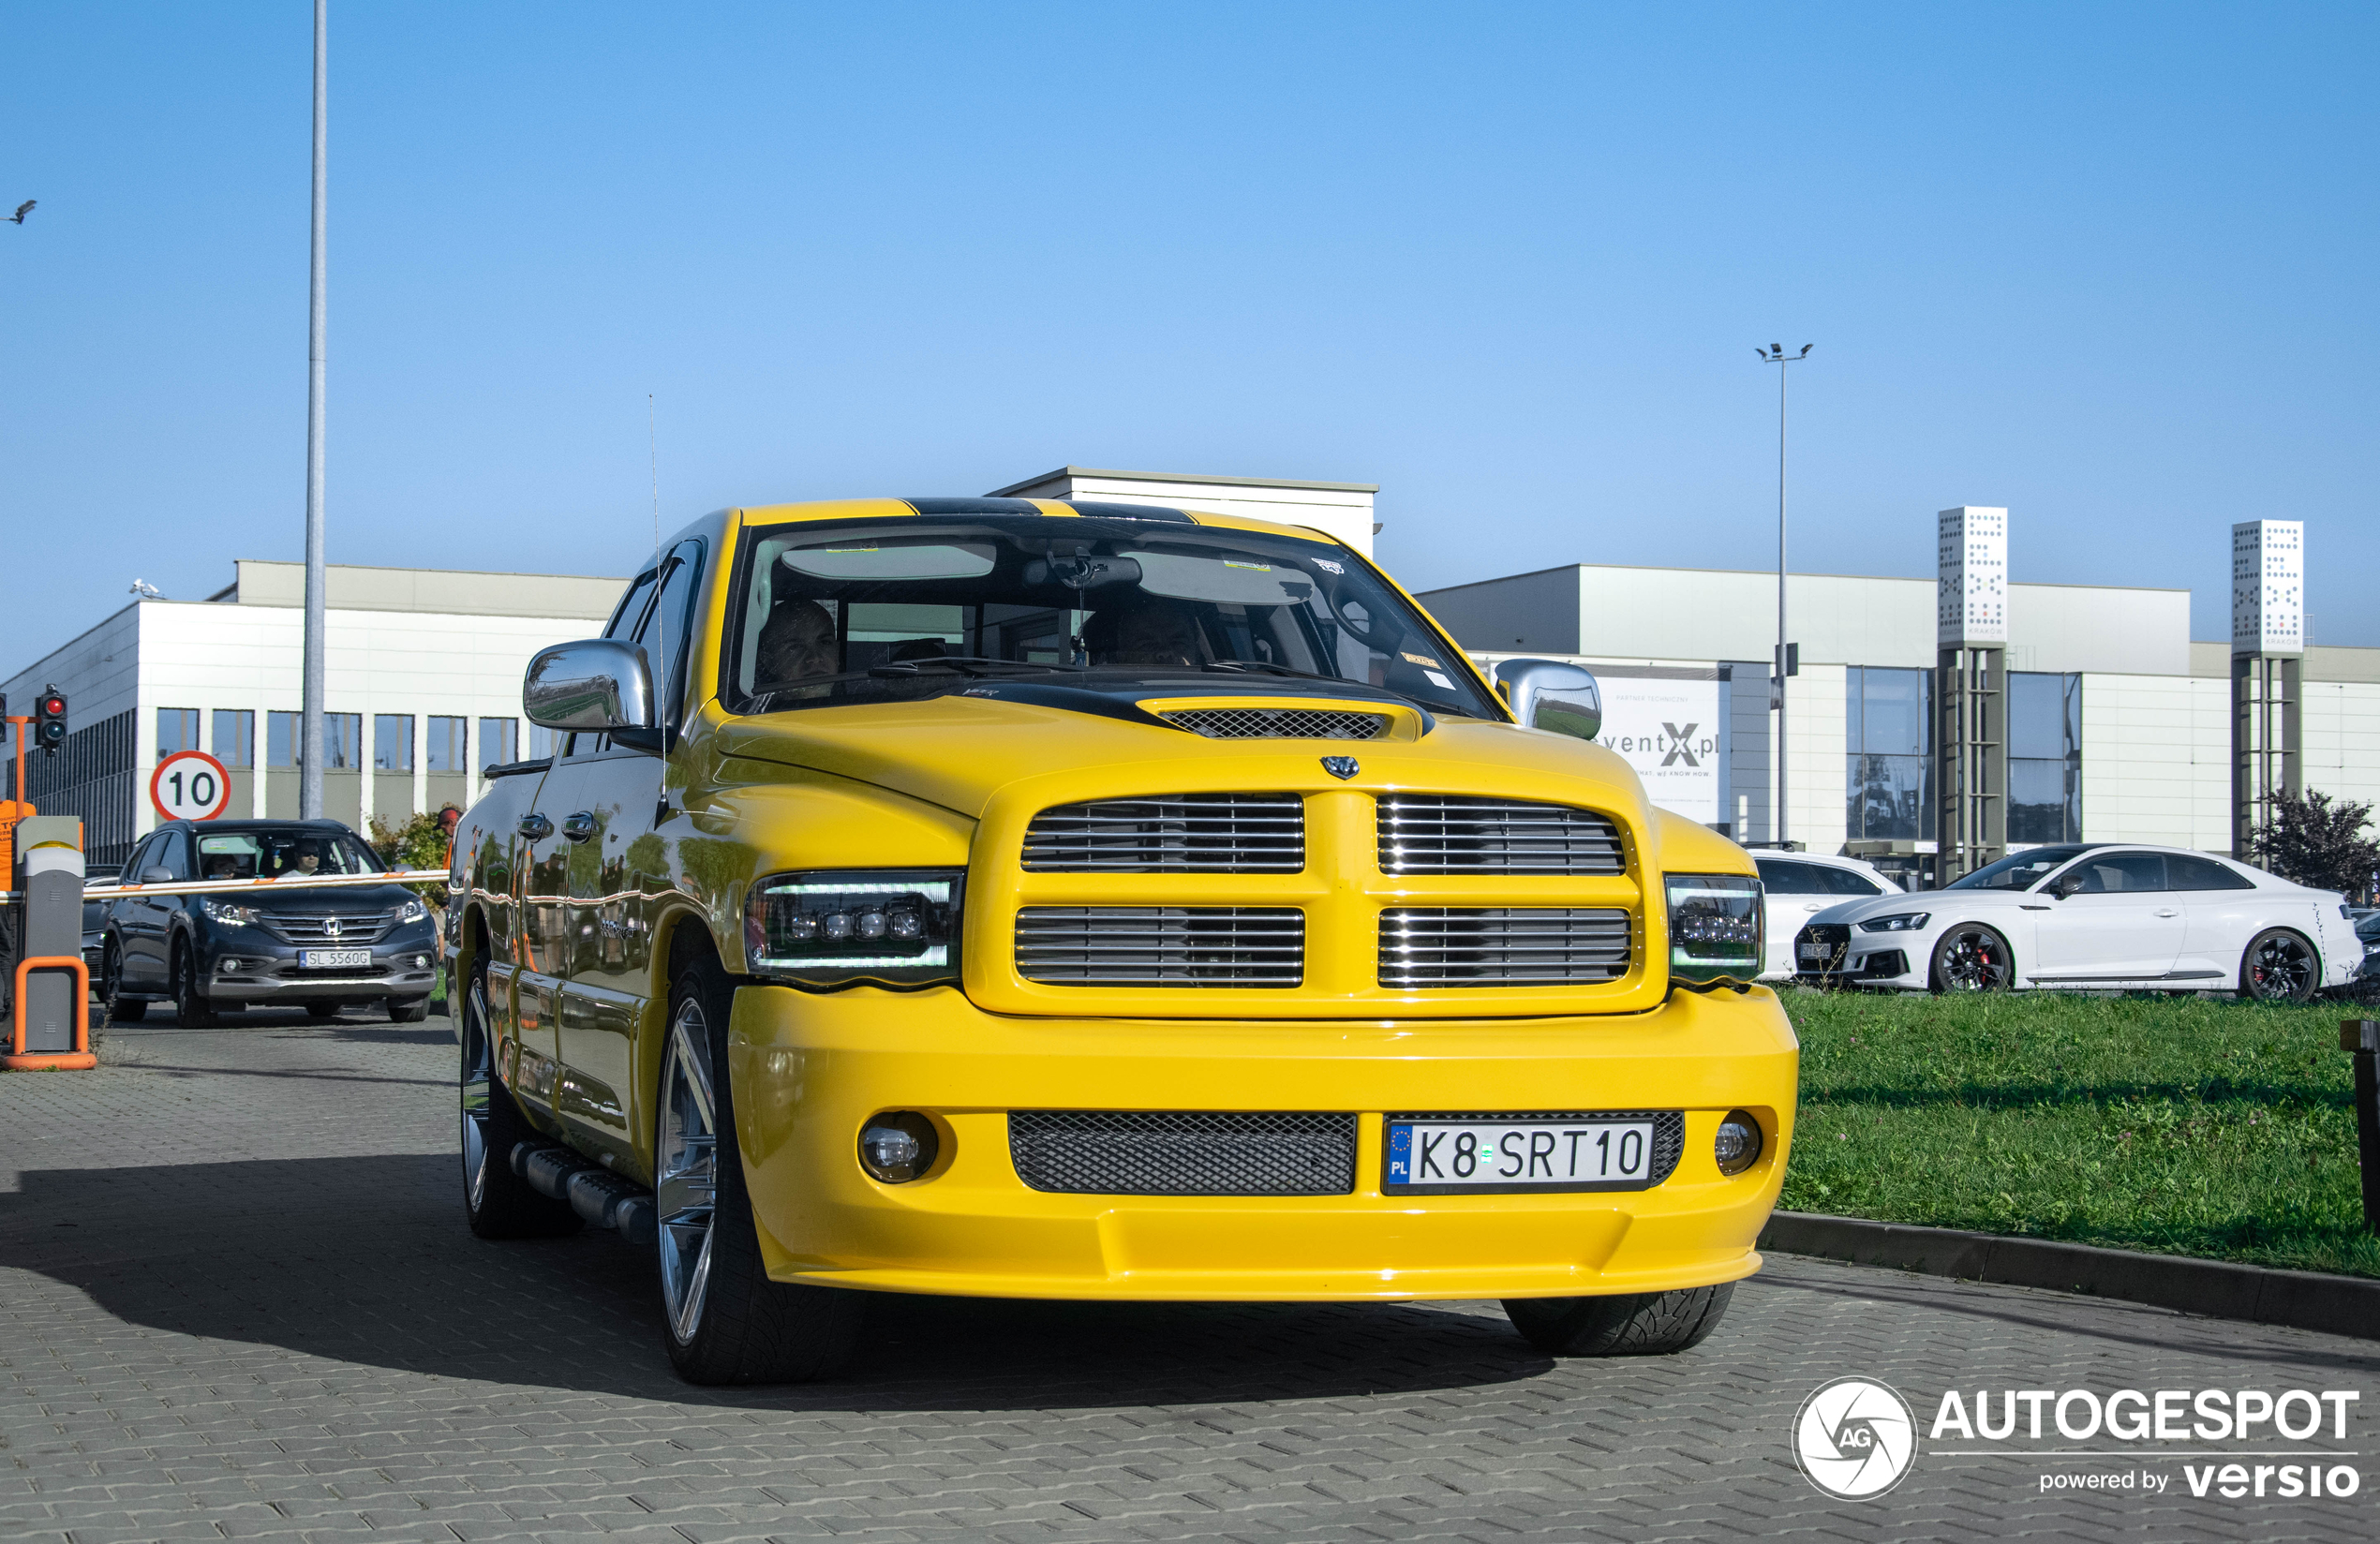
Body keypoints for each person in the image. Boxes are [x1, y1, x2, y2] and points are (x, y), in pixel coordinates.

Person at [1084, 599, 1204, 667]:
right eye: (1147, 644)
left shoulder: (1217, 690)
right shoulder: (1083, 707)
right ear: (1113, 657)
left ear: (1197, 650)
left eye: (1178, 642)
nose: (1165, 653)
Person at [754, 598, 839, 692]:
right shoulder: (753, 706)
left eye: (825, 642)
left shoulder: (856, 704)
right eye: (796, 647)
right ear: (769, 662)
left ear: (837, 651)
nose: (815, 658)